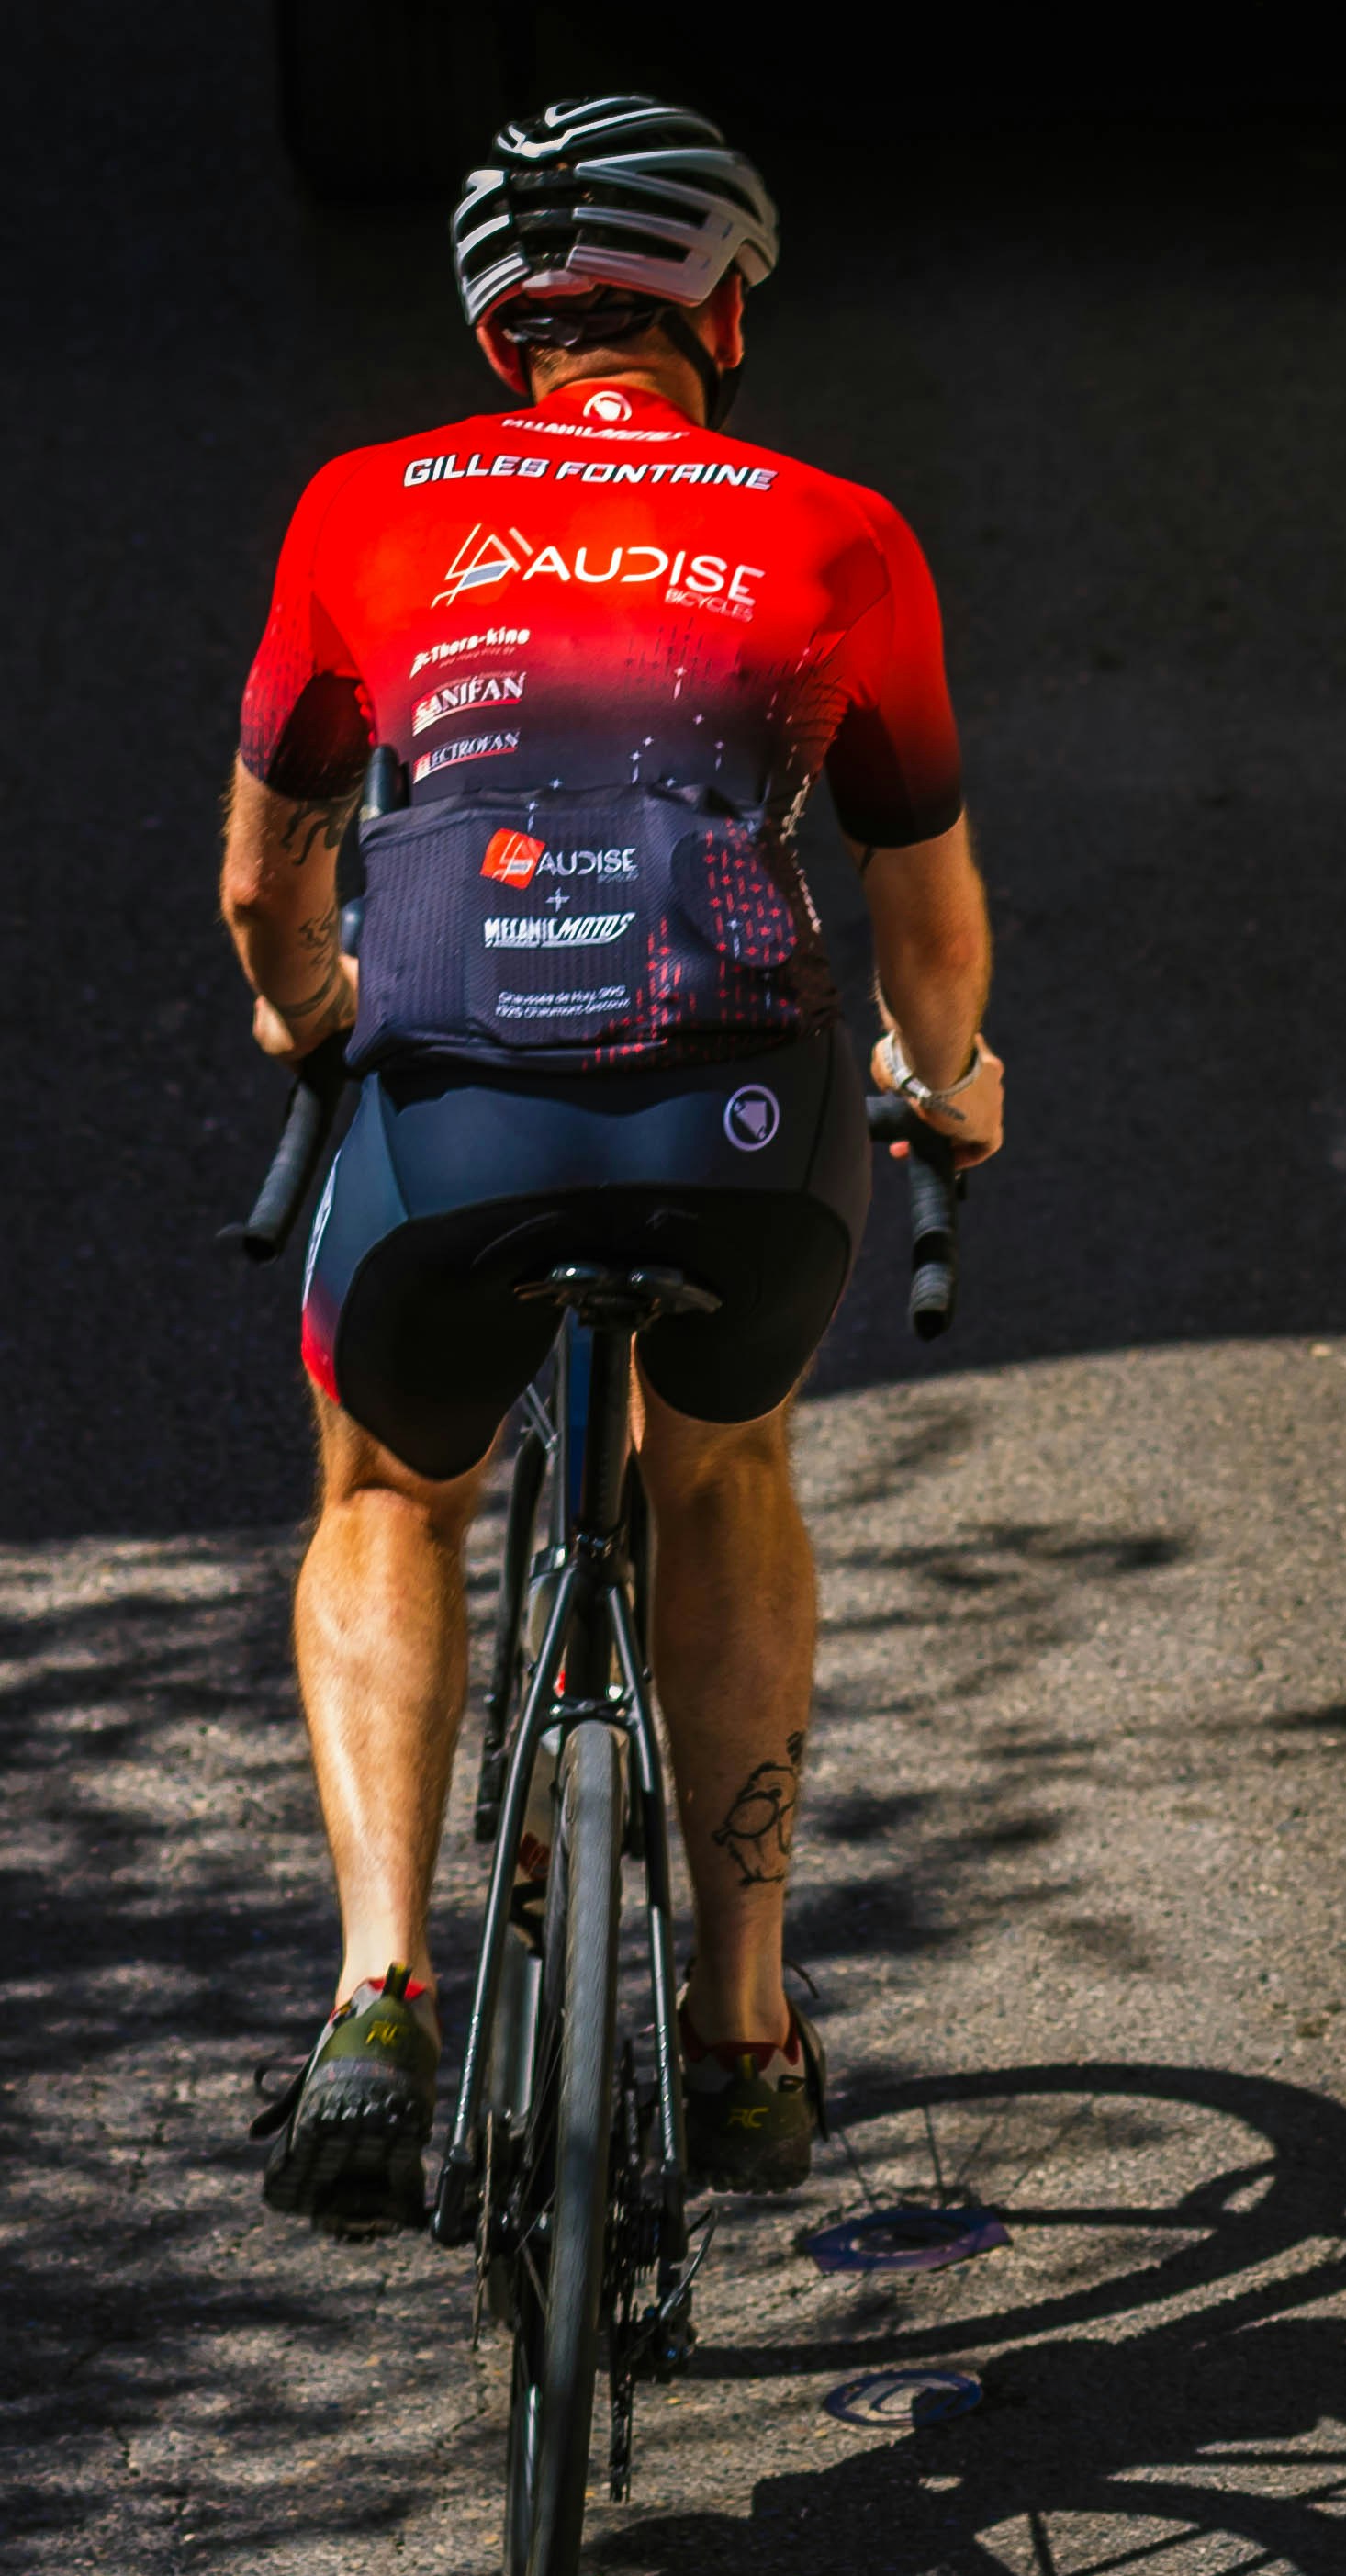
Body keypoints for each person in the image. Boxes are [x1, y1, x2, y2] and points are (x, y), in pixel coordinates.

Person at [220, 97, 1005, 2236]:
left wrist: (313, 1014)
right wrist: (948, 1081)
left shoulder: (361, 506)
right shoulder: (838, 529)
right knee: (720, 1462)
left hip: (452, 1093)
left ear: (503, 337)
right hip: (735, 1117)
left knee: (388, 1486)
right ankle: (745, 2033)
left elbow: (261, 891)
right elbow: (924, 929)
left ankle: (381, 1988)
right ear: (726, 309)